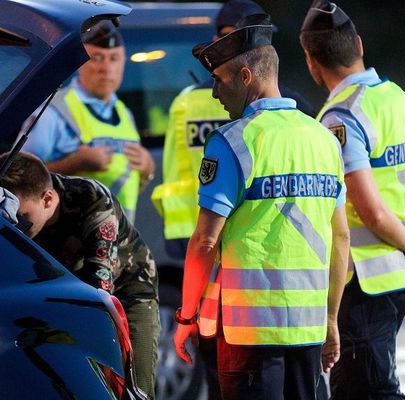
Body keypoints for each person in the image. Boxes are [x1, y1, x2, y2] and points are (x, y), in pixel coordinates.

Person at [173, 14, 350, 400]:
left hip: (248, 332)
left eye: (219, 81)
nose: (215, 93)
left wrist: (187, 316)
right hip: (308, 329)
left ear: (246, 78)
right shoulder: (325, 140)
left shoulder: (232, 143)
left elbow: (205, 241)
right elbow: (341, 237)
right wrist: (331, 319)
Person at [300, 1, 405, 398]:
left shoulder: (339, 118)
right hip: (398, 277)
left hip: (362, 282)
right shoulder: (399, 99)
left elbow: (371, 211)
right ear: (358, 44)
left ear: (312, 62)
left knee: (367, 390)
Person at [0, 152, 160, 399]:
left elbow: (100, 289)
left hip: (126, 292)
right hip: (63, 291)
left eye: (22, 218)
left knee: (135, 388)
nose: (16, 228)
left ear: (48, 199)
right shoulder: (19, 207)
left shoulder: (91, 199)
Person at [21, 21, 155, 223]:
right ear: (80, 62)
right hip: (65, 245)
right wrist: (74, 164)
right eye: (97, 58)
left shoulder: (124, 114)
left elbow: (125, 183)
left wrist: (147, 169)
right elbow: (19, 179)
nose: (106, 68)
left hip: (116, 242)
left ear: (123, 61)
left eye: (114, 59)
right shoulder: (53, 111)